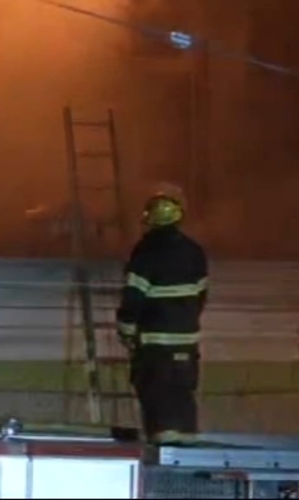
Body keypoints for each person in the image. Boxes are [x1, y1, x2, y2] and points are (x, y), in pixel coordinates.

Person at [115, 189, 209, 445]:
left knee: (157, 399)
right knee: (183, 396)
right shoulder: (195, 252)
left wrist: (126, 329)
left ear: (150, 220)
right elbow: (200, 296)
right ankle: (187, 450)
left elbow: (133, 297)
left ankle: (162, 456)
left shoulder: (146, 252)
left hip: (154, 342)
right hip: (187, 341)